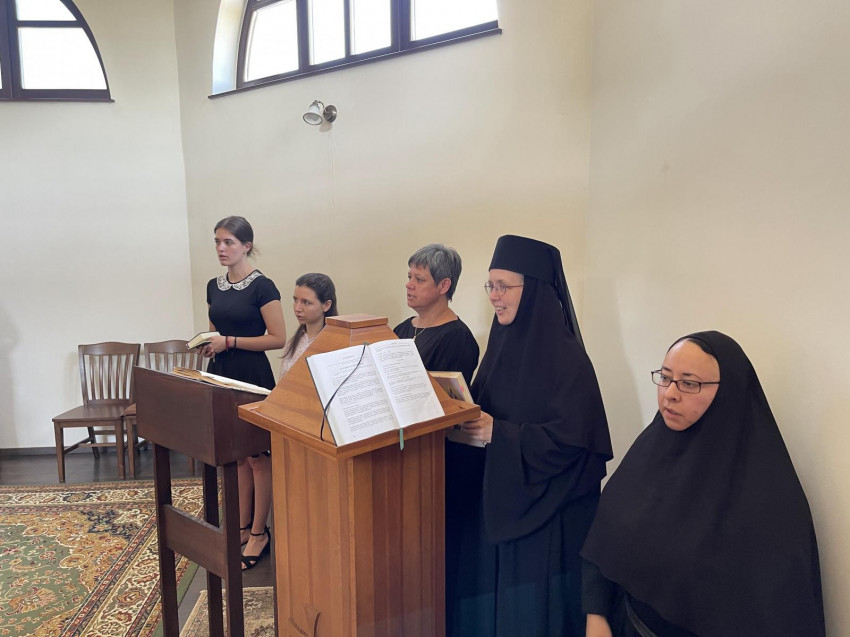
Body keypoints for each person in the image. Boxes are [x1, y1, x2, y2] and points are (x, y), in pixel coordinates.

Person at [581, 331, 825, 637]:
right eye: (665, 377)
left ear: (728, 392)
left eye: (689, 383)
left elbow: (777, 614)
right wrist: (596, 615)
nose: (670, 393)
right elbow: (606, 538)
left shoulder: (770, 503)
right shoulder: (650, 454)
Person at [456, 235, 613, 637]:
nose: (494, 296)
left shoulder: (568, 360)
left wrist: (499, 433)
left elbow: (575, 445)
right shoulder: (500, 345)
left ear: (535, 291)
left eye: (503, 286)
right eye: (490, 285)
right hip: (501, 503)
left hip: (546, 521)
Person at [200, 215, 286, 570]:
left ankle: (260, 532)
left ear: (246, 246)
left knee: (257, 457)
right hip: (222, 375)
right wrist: (209, 344)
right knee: (236, 456)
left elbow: (278, 338)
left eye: (228, 242)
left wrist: (230, 341)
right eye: (217, 242)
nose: (221, 248)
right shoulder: (213, 286)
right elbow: (214, 332)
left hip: (251, 377)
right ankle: (241, 525)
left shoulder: (263, 286)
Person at [393, 243, 479, 385]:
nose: (409, 285)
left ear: (444, 285)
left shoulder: (457, 338)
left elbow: (447, 395)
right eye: (409, 277)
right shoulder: (402, 328)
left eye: (419, 279)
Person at [279, 273, 338, 378]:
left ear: (326, 305)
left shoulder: (334, 345)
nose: (297, 308)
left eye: (306, 302)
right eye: (295, 300)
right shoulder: (294, 341)